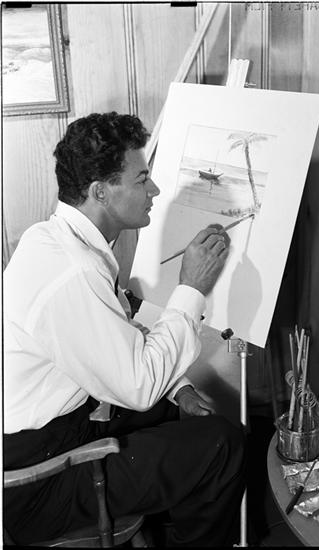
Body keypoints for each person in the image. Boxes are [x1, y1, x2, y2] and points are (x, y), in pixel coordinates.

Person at [3, 112, 246, 547]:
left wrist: (180, 390)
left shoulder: (54, 238)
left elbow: (123, 331)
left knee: (182, 412)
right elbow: (137, 386)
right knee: (222, 444)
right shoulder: (73, 270)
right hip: (36, 482)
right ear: (101, 191)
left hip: (56, 432)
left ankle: (182, 521)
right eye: (142, 179)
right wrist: (192, 287)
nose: (154, 190)